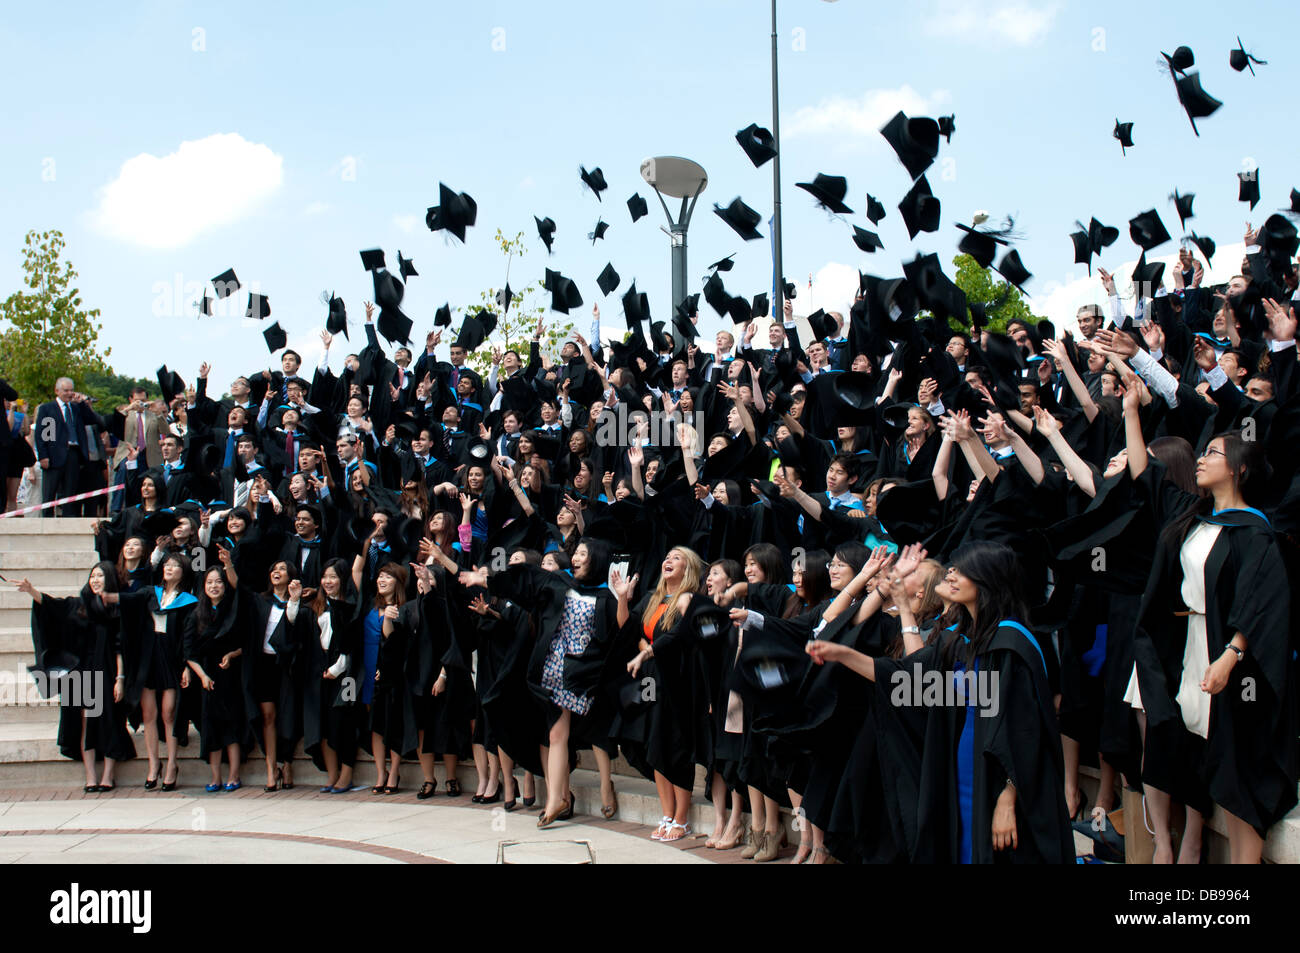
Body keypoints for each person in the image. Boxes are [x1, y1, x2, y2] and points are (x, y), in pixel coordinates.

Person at [809, 542, 1075, 863]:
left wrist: (1007, 799)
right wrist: (843, 654)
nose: (950, 573)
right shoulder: (959, 638)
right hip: (962, 764)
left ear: (987, 579)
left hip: (1001, 775)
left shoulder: (1011, 643)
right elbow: (909, 678)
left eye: (960, 570)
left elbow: (1026, 731)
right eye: (951, 567)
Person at [1127, 431, 1297, 864]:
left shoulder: (1256, 532)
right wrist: (1131, 409)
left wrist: (1232, 654)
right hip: (1193, 651)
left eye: (1212, 454)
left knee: (1240, 769)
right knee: (1203, 760)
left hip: (1237, 665)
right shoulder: (1197, 516)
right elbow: (1148, 478)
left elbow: (1264, 599)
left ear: (1239, 468)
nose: (1200, 460)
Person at [19, 563, 134, 792]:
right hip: (79, 672)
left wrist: (120, 679)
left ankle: (108, 776)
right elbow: (51, 606)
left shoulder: (116, 609)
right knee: (83, 723)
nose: (95, 580)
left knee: (109, 721)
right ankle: (91, 776)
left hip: (106, 670)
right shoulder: (76, 604)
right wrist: (31, 590)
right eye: (93, 576)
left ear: (109, 579)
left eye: (100, 576)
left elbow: (121, 647)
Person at [105, 553, 198, 791]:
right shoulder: (149, 592)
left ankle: (172, 764)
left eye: (175, 565)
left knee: (169, 714)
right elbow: (129, 601)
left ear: (184, 571)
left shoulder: (189, 601)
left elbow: (189, 635)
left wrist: (187, 665)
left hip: (172, 657)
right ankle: (153, 764)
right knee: (149, 714)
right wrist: (107, 597)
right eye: (167, 564)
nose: (169, 568)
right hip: (148, 657)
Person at [185, 561, 248, 792]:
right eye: (209, 582)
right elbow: (189, 652)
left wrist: (232, 654)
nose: (214, 586)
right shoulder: (196, 615)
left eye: (218, 582)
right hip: (207, 676)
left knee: (230, 726)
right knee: (210, 728)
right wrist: (201, 675)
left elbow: (246, 642)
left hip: (229, 674)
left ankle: (234, 774)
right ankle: (215, 777)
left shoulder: (233, 610)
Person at [34, 377, 104, 517]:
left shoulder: (76, 408)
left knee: (70, 490)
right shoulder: (48, 409)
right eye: (66, 390)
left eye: (71, 390)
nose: (69, 393)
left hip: (73, 453)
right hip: (54, 455)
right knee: (50, 491)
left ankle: (68, 518)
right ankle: (46, 519)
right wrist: (43, 455)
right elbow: (44, 435)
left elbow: (92, 420)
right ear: (57, 391)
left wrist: (83, 403)